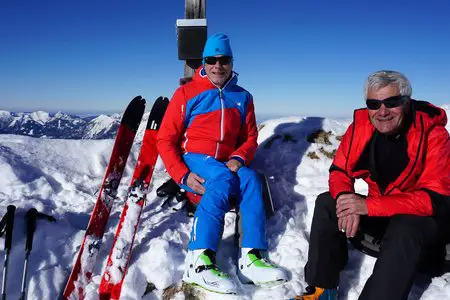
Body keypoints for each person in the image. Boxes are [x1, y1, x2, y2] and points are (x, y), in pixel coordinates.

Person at [297, 70, 450, 300]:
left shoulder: (433, 134)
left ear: (406, 103)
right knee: (328, 202)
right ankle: (321, 289)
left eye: (392, 102)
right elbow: (339, 171)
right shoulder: (361, 128)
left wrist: (369, 207)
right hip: (384, 226)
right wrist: (345, 200)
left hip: (423, 235)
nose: (382, 111)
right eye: (374, 103)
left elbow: (435, 199)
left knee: (406, 225)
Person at [156, 33, 287, 294]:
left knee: (250, 179)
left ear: (231, 61)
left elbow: (250, 138)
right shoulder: (186, 94)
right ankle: (198, 262)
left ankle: (251, 257)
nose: (218, 65)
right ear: (203, 62)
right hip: (194, 157)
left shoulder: (243, 97)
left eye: (224, 59)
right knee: (223, 178)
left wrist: (239, 158)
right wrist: (182, 175)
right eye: (211, 59)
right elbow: (165, 140)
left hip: (225, 162)